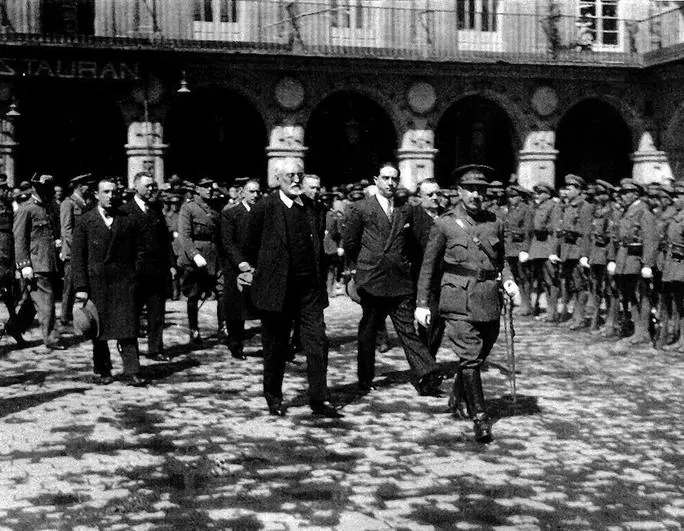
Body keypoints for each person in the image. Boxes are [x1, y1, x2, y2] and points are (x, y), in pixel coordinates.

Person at [415, 164, 518, 443]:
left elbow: (502, 259)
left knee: (481, 353)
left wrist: (508, 280)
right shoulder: (445, 223)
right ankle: (480, 418)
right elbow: (428, 267)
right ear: (459, 191)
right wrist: (422, 303)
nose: (476, 194)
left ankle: (458, 395)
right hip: (457, 299)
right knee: (470, 357)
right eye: (470, 189)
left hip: (488, 298)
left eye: (481, 190)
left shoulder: (493, 221)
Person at [244, 158, 339, 418]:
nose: (296, 180)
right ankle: (273, 396)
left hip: (309, 290)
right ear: (277, 178)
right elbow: (249, 245)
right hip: (277, 291)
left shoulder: (312, 208)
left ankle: (320, 399)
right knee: (275, 349)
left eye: (300, 175)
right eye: (290, 176)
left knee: (317, 344)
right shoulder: (264, 208)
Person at [343, 162, 443, 396]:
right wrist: (363, 268)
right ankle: (365, 378)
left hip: (400, 281)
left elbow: (416, 241)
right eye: (385, 178)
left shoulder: (405, 208)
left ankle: (428, 374)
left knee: (407, 330)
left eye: (394, 179)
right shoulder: (361, 208)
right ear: (376, 179)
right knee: (368, 331)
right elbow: (350, 243)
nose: (390, 183)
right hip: (373, 280)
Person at [72, 179, 148, 385]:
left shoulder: (128, 219)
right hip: (97, 283)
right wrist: (81, 287)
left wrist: (135, 275)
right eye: (105, 192)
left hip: (124, 282)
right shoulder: (86, 221)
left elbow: (140, 251)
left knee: (128, 328)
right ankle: (104, 368)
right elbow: (78, 257)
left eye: (113, 192)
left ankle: (132, 370)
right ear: (97, 195)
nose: (110, 196)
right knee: (100, 330)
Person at [121, 172, 174, 361]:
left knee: (157, 313)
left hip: (157, 271)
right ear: (136, 187)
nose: (151, 189)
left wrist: (171, 265)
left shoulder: (155, 209)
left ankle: (155, 349)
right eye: (147, 186)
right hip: (136, 272)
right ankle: (130, 351)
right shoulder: (125, 210)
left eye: (153, 185)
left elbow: (165, 240)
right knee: (132, 314)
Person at [13, 174, 64, 351]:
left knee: (34, 302)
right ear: (36, 188)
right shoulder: (26, 209)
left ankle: (15, 327)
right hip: (35, 265)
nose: (49, 191)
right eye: (45, 188)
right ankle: (51, 339)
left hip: (49, 262)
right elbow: (19, 239)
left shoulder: (47, 208)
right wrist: (24, 265)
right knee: (46, 302)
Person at [609, 178, 657, 347]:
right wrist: (613, 259)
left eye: (626, 193)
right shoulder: (627, 211)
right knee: (630, 295)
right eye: (622, 193)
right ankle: (637, 330)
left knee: (641, 295)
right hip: (624, 258)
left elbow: (650, 240)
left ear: (635, 194)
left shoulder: (644, 212)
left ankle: (643, 332)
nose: (623, 196)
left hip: (636, 259)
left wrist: (647, 264)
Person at [177, 178, 222, 345]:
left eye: (211, 186)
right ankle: (194, 330)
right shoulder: (188, 208)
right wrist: (194, 254)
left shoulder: (216, 207)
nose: (210, 189)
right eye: (205, 187)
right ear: (197, 188)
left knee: (222, 292)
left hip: (215, 254)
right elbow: (185, 235)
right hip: (197, 256)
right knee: (194, 294)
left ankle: (222, 329)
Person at [220, 178, 261, 360]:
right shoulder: (231, 214)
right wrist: (239, 263)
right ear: (242, 192)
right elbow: (227, 242)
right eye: (251, 191)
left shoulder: (263, 213)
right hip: (236, 268)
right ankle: (235, 344)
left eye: (257, 191)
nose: (255, 195)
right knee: (237, 308)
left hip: (257, 266)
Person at [411, 178, 444, 359]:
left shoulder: (447, 217)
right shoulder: (413, 216)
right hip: (418, 277)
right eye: (429, 194)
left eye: (437, 193)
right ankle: (426, 363)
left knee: (439, 323)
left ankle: (429, 359)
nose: (434, 197)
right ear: (419, 197)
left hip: (443, 278)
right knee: (425, 322)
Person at [556, 174, 593, 330]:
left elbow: (586, 232)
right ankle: (574, 316)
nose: (567, 191)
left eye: (570, 188)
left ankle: (579, 317)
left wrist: (584, 255)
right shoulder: (569, 206)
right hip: (567, 251)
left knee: (580, 286)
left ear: (578, 190)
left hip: (577, 251)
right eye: (566, 188)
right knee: (571, 285)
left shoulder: (584, 207)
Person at [59, 173, 93, 327]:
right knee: (70, 285)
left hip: (85, 250)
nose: (89, 187)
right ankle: (65, 316)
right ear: (80, 186)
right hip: (73, 252)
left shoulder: (85, 203)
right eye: (86, 185)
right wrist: (76, 248)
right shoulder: (68, 203)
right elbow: (66, 229)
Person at [528, 183, 562, 321]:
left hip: (547, 246)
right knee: (540, 280)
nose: (537, 195)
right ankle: (543, 309)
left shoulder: (553, 207)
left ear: (548, 194)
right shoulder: (537, 206)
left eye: (541, 192)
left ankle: (552, 312)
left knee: (551, 280)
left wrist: (553, 251)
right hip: (537, 247)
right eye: (537, 192)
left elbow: (555, 230)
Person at [0, 175, 24, 344]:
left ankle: (14, 328)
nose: (6, 190)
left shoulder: (10, 205)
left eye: (6, 187)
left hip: (8, 252)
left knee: (11, 295)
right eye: (2, 187)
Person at [504, 185, 533, 316]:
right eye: (509, 197)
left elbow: (528, 231)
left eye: (514, 196)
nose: (511, 199)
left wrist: (525, 249)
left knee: (524, 277)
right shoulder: (510, 210)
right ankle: (521, 303)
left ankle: (527, 305)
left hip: (520, 247)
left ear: (520, 197)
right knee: (516, 276)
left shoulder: (526, 209)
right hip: (510, 248)